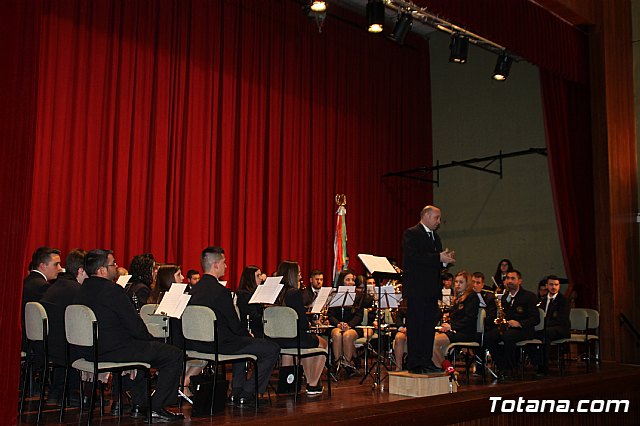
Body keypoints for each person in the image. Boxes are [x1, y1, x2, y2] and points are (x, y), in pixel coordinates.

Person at [73, 249, 183, 421]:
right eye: (113, 264)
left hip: (90, 349)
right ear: (102, 270)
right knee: (173, 354)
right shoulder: (113, 291)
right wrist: (151, 341)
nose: (116, 267)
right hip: (113, 350)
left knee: (144, 350)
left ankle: (139, 405)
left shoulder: (81, 290)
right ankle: (156, 406)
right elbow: (135, 326)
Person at [187, 246, 279, 405]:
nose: (226, 266)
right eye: (224, 262)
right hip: (219, 345)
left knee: (241, 342)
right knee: (271, 348)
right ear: (216, 265)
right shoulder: (220, 291)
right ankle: (248, 392)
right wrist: (247, 335)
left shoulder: (193, 291)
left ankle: (237, 390)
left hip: (197, 344)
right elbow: (234, 324)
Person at [402, 205, 455, 374]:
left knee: (428, 327)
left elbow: (435, 262)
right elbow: (413, 257)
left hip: (431, 290)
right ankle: (415, 362)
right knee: (416, 326)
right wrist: (438, 257)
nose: (438, 222)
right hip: (417, 289)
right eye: (436, 218)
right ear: (426, 215)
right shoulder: (411, 233)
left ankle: (426, 360)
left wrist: (444, 261)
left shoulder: (435, 237)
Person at [271, 261, 328, 396]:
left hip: (277, 338)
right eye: (299, 273)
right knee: (323, 344)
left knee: (298, 348)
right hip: (294, 338)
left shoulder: (274, 292)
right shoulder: (294, 293)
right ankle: (313, 384)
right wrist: (309, 324)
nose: (300, 276)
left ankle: (286, 386)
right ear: (292, 274)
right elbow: (301, 323)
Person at [40, 249, 87, 404]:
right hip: (63, 349)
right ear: (81, 271)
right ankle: (78, 392)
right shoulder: (77, 290)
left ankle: (55, 392)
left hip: (47, 345)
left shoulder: (55, 285)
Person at [484, 269, 539, 381]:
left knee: (508, 337)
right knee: (489, 337)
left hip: (524, 329)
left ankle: (510, 368)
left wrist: (519, 323)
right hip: (508, 328)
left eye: (512, 278)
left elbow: (535, 319)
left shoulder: (529, 296)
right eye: (508, 278)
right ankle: (502, 366)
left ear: (520, 281)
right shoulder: (504, 297)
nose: (509, 281)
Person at [432, 271, 480, 368]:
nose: (457, 284)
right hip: (455, 330)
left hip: (466, 332)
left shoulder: (472, 297)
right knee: (429, 338)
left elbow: (469, 319)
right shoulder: (457, 298)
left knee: (433, 341)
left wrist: (451, 326)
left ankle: (445, 369)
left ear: (467, 284)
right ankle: (441, 368)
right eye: (456, 282)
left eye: (461, 282)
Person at [327, 269, 367, 377]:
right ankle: (337, 363)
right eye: (347, 280)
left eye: (352, 280)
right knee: (337, 334)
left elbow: (359, 315)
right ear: (342, 281)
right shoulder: (335, 294)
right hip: (337, 325)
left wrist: (349, 325)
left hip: (353, 326)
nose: (351, 282)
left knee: (347, 335)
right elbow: (330, 315)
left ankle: (348, 363)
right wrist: (338, 324)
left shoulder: (359, 295)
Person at [22, 246, 62, 351]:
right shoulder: (42, 286)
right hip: (34, 345)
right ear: (42, 266)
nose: (60, 268)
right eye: (56, 264)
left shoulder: (28, 281)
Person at [531, 274, 570, 375]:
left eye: (556, 285)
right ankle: (536, 362)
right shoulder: (542, 301)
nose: (554, 287)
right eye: (551, 284)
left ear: (559, 286)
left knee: (544, 334)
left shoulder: (563, 301)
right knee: (532, 333)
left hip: (561, 329)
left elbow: (561, 320)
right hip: (546, 328)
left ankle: (543, 366)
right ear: (547, 286)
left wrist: (543, 325)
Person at [235, 265, 265, 338]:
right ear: (250, 278)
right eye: (258, 275)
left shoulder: (252, 293)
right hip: (252, 331)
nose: (261, 278)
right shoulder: (245, 295)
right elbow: (252, 316)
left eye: (261, 275)